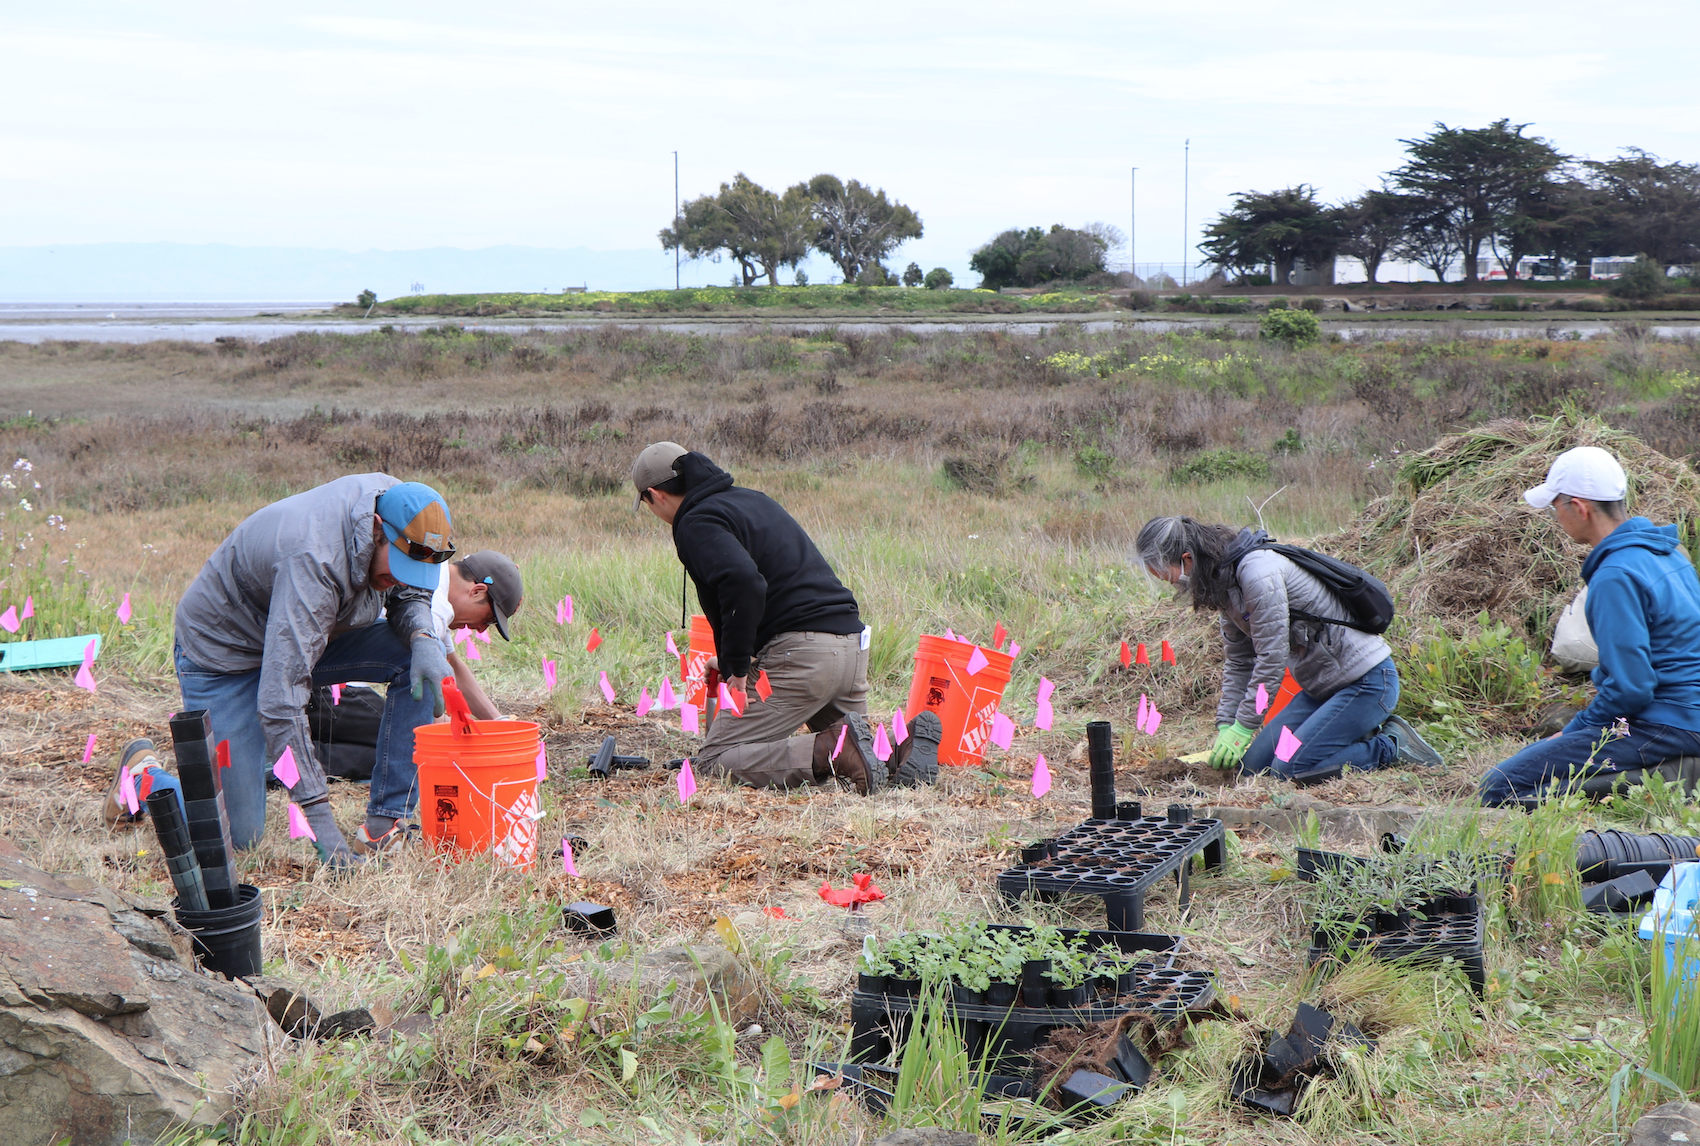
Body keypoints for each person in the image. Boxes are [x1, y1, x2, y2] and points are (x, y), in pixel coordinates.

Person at [158, 476, 457, 865]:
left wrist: (422, 636)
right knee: (240, 836)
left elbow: (410, 591)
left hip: (310, 632)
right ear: (378, 530)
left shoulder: (410, 508)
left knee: (412, 661)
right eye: (398, 566)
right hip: (224, 656)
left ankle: (385, 825)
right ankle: (145, 776)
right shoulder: (315, 560)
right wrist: (323, 827)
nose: (401, 577)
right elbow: (280, 702)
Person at [630, 441, 942, 795]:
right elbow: (775, 586)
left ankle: (833, 752)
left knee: (717, 759)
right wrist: (738, 656)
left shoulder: (695, 522)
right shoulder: (751, 500)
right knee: (869, 756)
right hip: (849, 649)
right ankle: (904, 755)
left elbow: (744, 582)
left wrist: (735, 667)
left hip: (803, 658)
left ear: (654, 495)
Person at [1136, 515, 1441, 785]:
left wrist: (1244, 727)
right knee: (1253, 769)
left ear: (1187, 560)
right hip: (1319, 692)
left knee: (1289, 767)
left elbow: (1271, 659)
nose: (1174, 585)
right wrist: (1226, 724)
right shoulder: (1223, 585)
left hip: (1365, 683)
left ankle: (1390, 745)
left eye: (1170, 577)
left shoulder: (1258, 574)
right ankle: (1340, 733)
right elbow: (1239, 661)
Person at [1479, 447, 1700, 806]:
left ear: (1578, 507)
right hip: (1689, 715)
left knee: (1500, 786)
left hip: (1662, 722)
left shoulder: (1616, 575)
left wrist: (1575, 730)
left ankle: (1669, 778)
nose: (1555, 516)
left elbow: (1632, 688)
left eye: (1556, 506)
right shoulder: (1669, 554)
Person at [426, 551, 525, 721]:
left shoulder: (437, 568)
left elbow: (453, 666)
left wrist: (498, 721)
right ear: (477, 591)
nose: (480, 629)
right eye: (488, 619)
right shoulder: (437, 608)